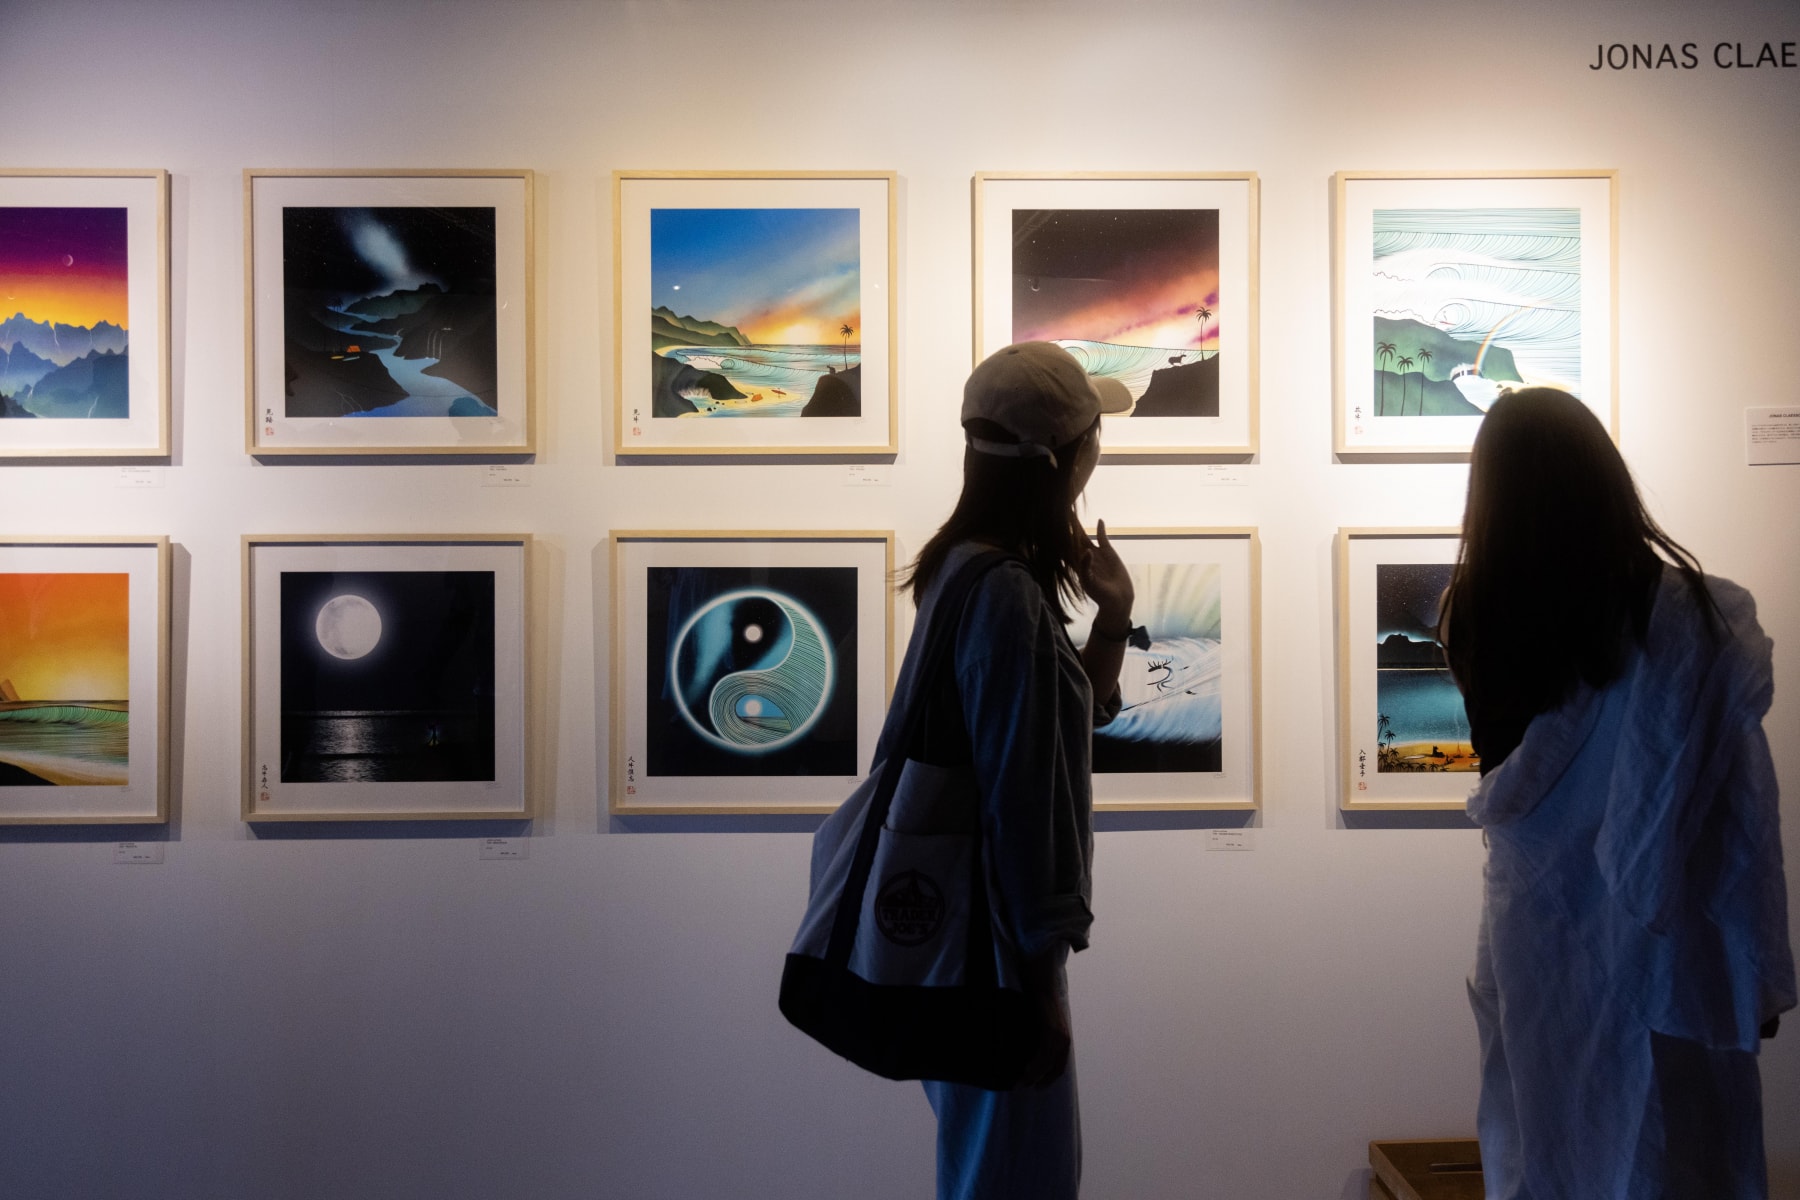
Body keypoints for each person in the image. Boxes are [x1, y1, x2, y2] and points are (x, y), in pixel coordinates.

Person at [1441, 388, 1795, 1198]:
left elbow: (1513, 780)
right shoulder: (1690, 619)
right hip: (1673, 927)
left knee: (1550, 1134)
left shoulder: (1474, 613)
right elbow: (1745, 809)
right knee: (1669, 1146)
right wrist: (1755, 964)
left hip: (1536, 924)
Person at [895, 342, 1133, 1200]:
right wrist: (1040, 992)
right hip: (997, 953)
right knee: (1015, 1179)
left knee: (986, 1170)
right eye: (1093, 433)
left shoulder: (964, 569)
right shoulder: (1002, 594)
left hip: (969, 937)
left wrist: (1114, 619)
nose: (1099, 448)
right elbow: (1022, 799)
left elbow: (1055, 726)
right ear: (1064, 459)